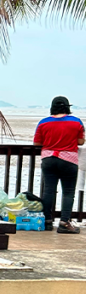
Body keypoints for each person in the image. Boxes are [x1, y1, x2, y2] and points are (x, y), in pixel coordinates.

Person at [34, 96, 83, 234]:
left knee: (49, 190)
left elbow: (37, 143)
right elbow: (80, 142)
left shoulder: (43, 123)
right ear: (68, 107)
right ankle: (64, 222)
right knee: (68, 192)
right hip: (69, 159)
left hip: (49, 159)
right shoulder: (76, 122)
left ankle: (47, 221)